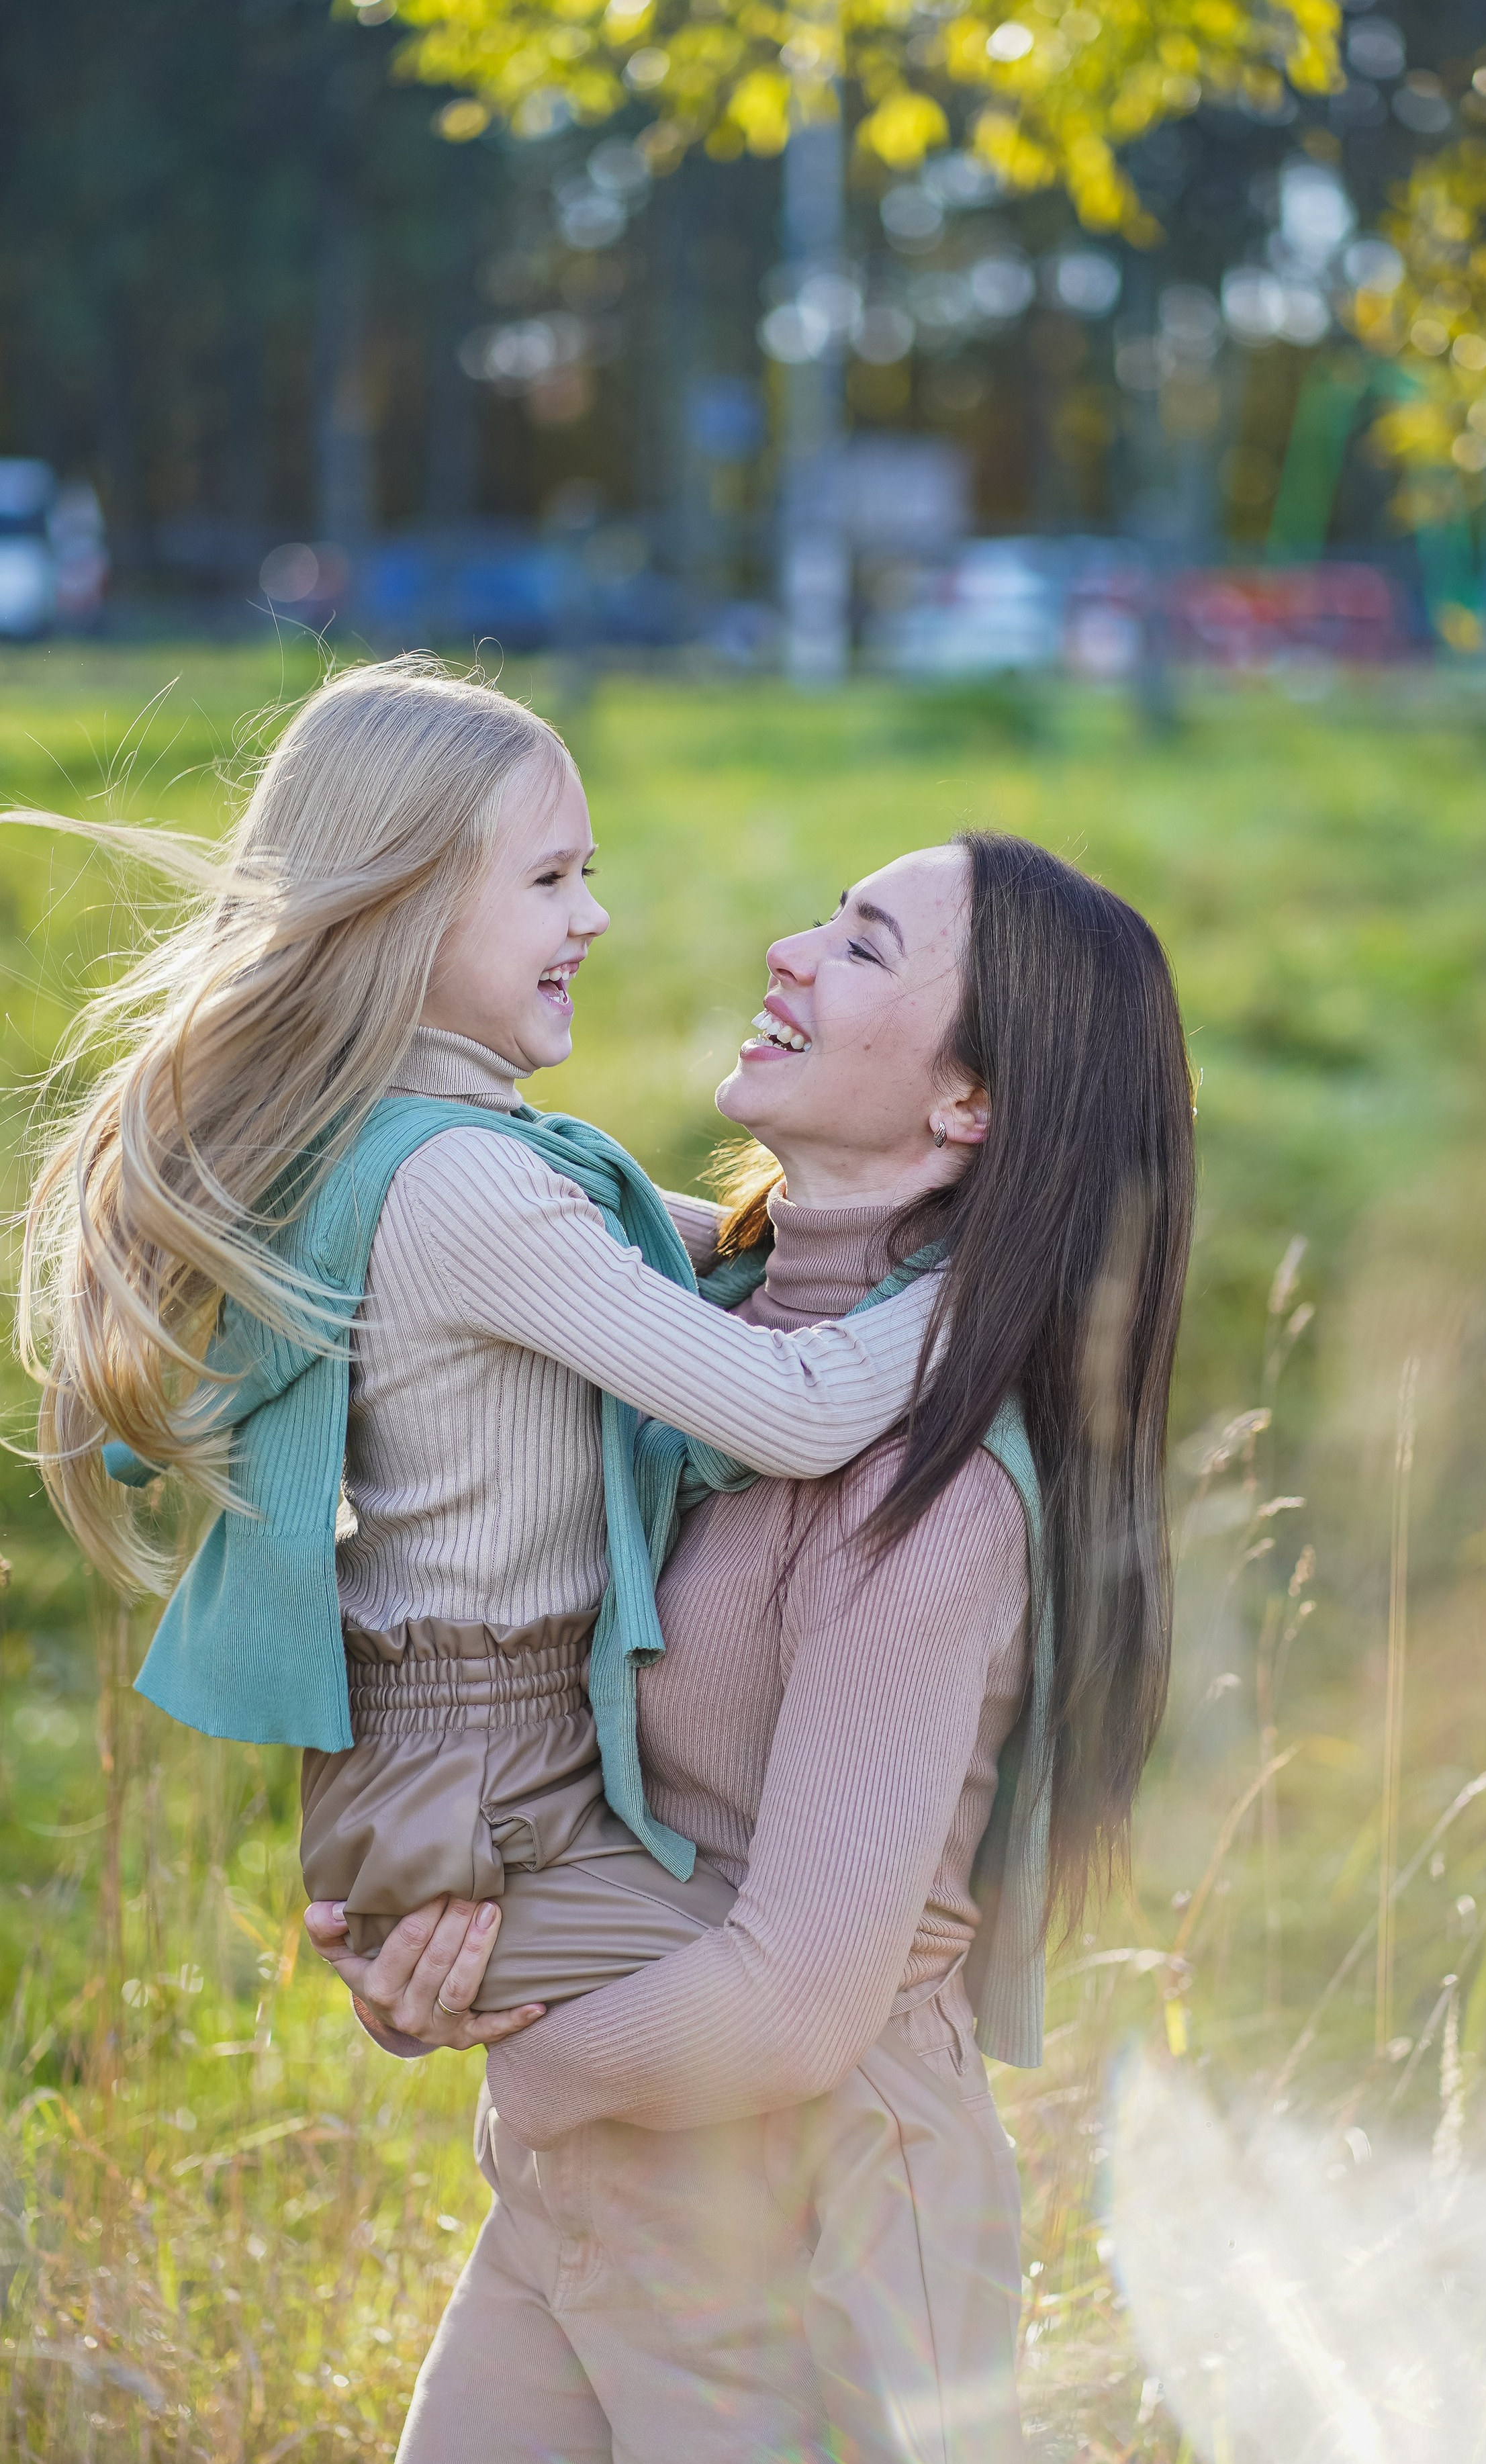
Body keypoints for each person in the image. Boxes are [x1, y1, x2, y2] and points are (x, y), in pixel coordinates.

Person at [309, 829, 1198, 2464]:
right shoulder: (698, 1334)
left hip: (807, 2241)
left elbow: (796, 2002)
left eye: (864, 947)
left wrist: (531, 2052)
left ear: (971, 1109)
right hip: (595, 2207)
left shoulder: (932, 1495)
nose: (791, 947)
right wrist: (415, 1929)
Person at [15, 654, 945, 2032]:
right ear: (409, 904)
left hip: (467, 1753)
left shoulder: (431, 1145)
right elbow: (792, 1412)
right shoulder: (464, 1186)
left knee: (820, 1999)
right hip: (482, 1776)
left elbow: (709, 1246)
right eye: (550, 880)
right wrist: (981, 1284)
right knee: (841, 1982)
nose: (596, 913)